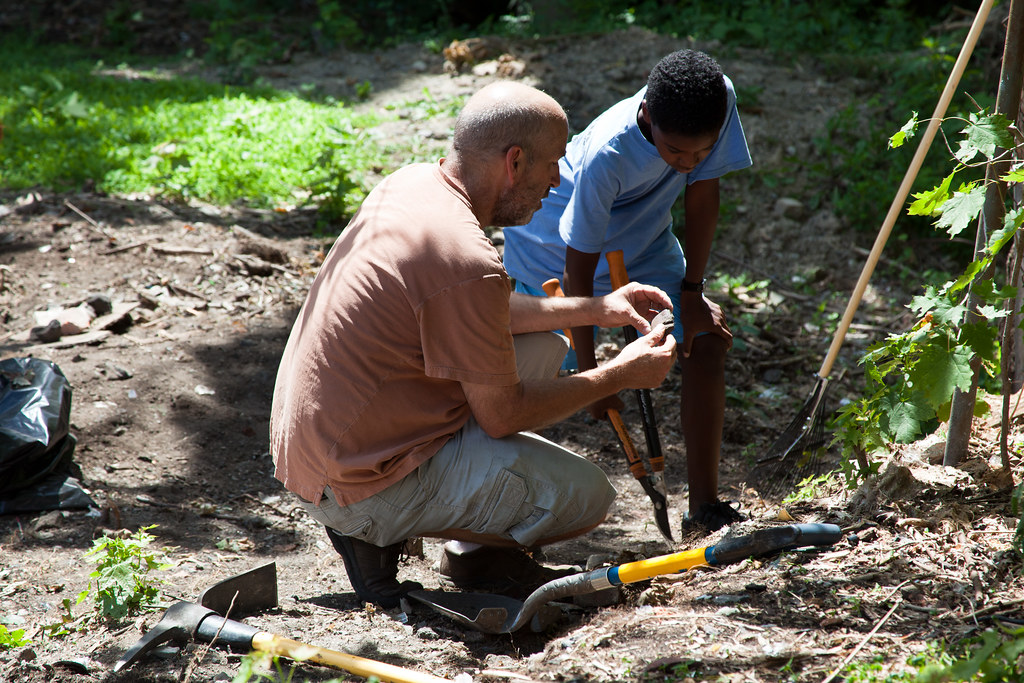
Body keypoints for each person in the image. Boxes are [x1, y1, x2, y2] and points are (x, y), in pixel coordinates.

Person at [270, 81, 678, 609]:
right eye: (552, 164)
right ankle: (372, 528)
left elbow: (484, 309)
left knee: (544, 347)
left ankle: (474, 555)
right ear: (514, 162)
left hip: (314, 446)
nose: (557, 182)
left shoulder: (413, 184)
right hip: (355, 482)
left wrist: (599, 307)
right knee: (586, 496)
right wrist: (619, 373)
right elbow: (503, 415)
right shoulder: (465, 258)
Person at [502, 49, 753, 534]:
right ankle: (494, 523)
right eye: (675, 152)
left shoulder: (716, 100)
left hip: (642, 240)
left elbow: (704, 193)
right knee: (529, 371)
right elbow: (578, 266)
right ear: (648, 116)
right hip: (554, 247)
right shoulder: (610, 153)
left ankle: (704, 508)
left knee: (705, 341)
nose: (687, 164)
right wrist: (594, 378)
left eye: (700, 153)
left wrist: (693, 294)